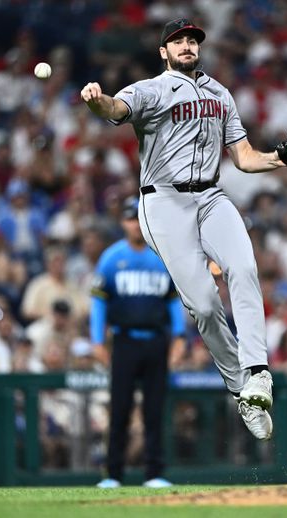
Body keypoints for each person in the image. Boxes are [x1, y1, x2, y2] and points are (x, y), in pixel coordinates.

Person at [80, 18, 287, 441]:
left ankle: (257, 373)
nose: (187, 45)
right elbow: (115, 109)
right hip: (164, 201)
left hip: (211, 196)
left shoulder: (220, 93)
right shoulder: (150, 89)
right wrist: (97, 100)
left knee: (244, 267)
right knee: (203, 306)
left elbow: (242, 157)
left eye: (192, 40)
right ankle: (240, 388)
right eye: (178, 40)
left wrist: (279, 157)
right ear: (163, 51)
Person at [91, 197, 186, 489]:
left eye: (140, 218)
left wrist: (180, 337)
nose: (136, 224)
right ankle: (113, 474)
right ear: (123, 223)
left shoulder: (162, 256)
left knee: (154, 411)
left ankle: (154, 473)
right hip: (124, 341)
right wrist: (96, 340)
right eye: (131, 219)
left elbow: (173, 301)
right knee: (119, 409)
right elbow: (98, 302)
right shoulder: (111, 258)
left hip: (157, 342)